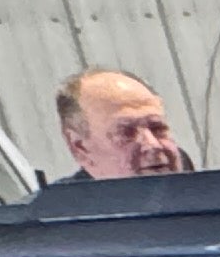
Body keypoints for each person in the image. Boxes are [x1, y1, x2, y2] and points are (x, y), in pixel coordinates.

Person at [54, 67, 188, 178]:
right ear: (80, 148)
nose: (153, 145)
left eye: (158, 129)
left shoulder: (200, 189)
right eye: (126, 133)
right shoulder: (58, 209)